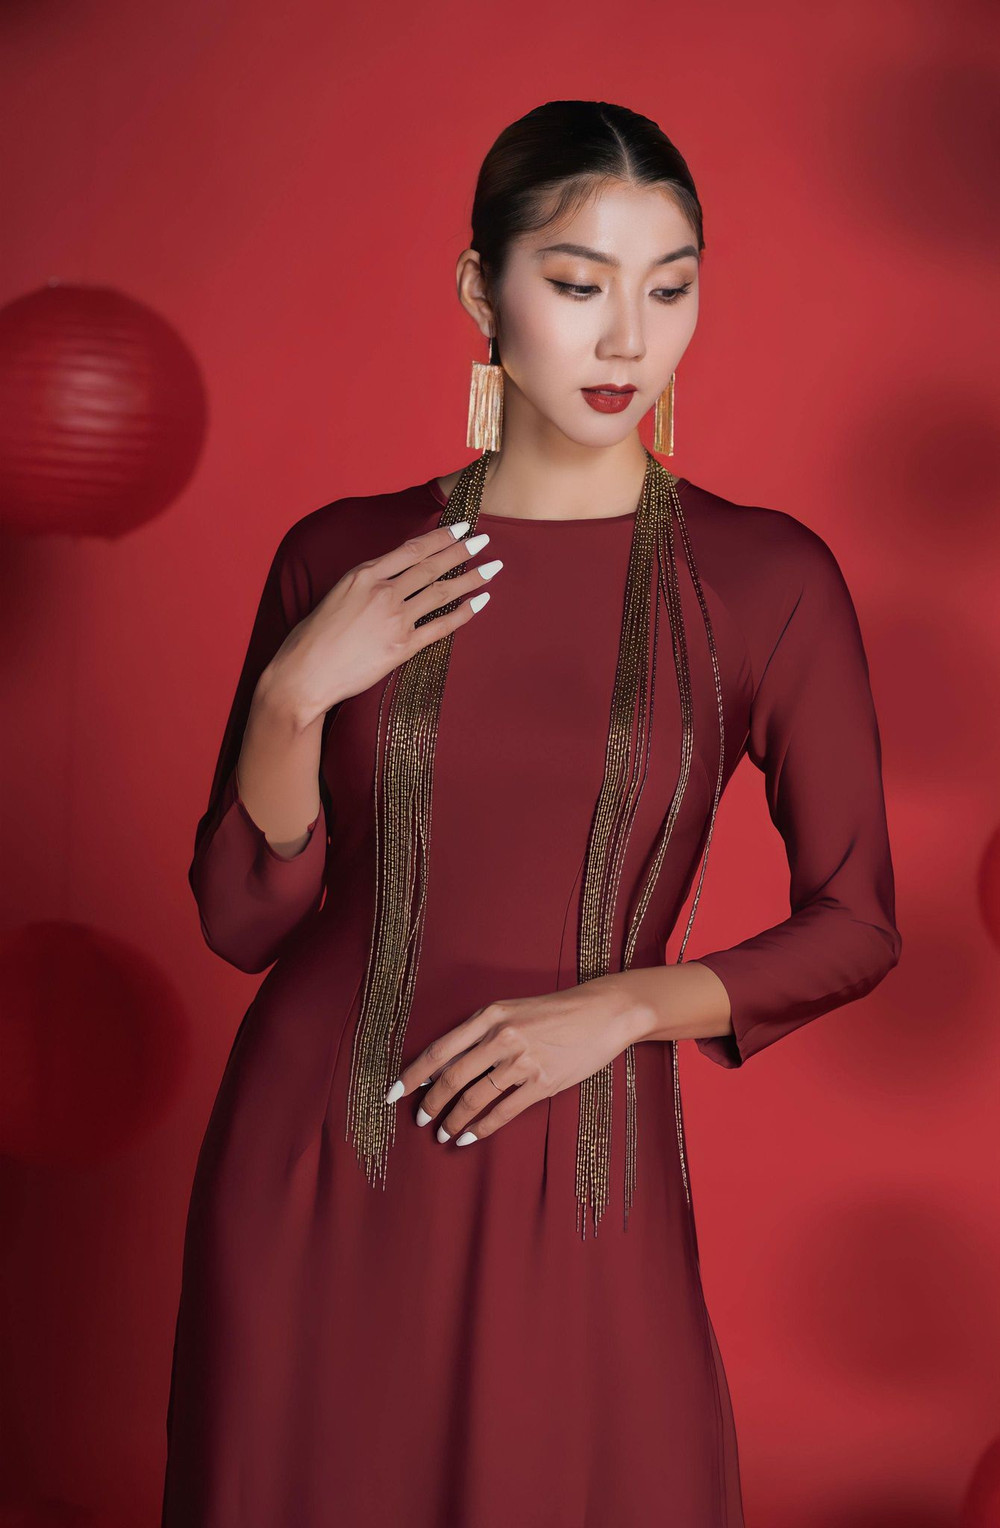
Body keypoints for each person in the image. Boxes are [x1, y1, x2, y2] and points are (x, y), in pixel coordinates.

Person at [160, 99, 901, 1527]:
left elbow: (857, 923)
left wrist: (621, 1009)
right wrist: (291, 699)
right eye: (577, 284)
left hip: (582, 1167)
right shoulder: (343, 553)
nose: (628, 339)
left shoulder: (768, 579)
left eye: (669, 289)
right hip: (318, 1157)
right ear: (479, 289)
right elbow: (242, 920)